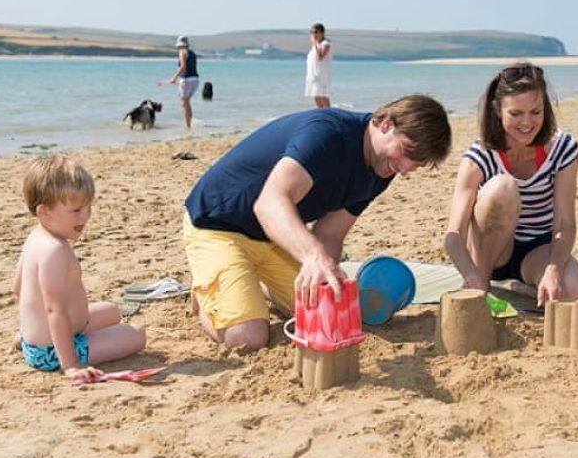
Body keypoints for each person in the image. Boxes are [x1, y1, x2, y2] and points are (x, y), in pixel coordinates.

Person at [183, 94, 452, 350]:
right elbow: (269, 204)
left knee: (331, 312)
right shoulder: (328, 134)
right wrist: (313, 257)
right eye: (405, 152)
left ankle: (256, 283)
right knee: (249, 337)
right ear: (386, 124)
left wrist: (328, 277)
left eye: (415, 164)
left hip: (274, 238)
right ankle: (205, 297)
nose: (404, 169)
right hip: (218, 225)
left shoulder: (382, 167)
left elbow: (330, 233)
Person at [443, 63, 578, 307]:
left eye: (535, 112)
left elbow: (565, 224)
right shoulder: (479, 156)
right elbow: (453, 235)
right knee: (503, 187)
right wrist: (470, 274)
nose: (527, 123)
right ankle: (483, 283)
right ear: (497, 110)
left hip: (537, 250)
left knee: (572, 290)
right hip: (490, 253)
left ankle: (523, 288)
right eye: (516, 113)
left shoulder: (563, 148)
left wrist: (552, 270)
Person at [15, 156, 146, 384]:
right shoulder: (54, 250)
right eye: (76, 210)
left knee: (112, 311)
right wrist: (71, 365)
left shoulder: (36, 236)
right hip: (51, 352)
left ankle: (24, 340)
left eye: (88, 207)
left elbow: (17, 287)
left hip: (37, 339)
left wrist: (31, 328)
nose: (85, 216)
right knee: (136, 334)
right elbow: (54, 309)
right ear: (44, 212)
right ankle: (63, 355)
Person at [159, 35, 199, 129]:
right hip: (195, 80)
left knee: (185, 104)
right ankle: (189, 124)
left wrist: (174, 78)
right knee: (187, 103)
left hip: (186, 80)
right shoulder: (192, 53)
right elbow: (190, 68)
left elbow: (183, 67)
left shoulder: (182, 52)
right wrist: (178, 81)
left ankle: (188, 127)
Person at [304, 22, 332, 108]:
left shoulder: (325, 44)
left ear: (322, 33)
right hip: (313, 74)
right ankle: (321, 112)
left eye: (316, 32)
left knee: (323, 95)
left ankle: (328, 112)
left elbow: (320, 57)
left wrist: (315, 43)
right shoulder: (316, 45)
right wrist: (315, 44)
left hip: (321, 74)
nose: (314, 34)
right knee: (315, 95)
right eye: (312, 32)